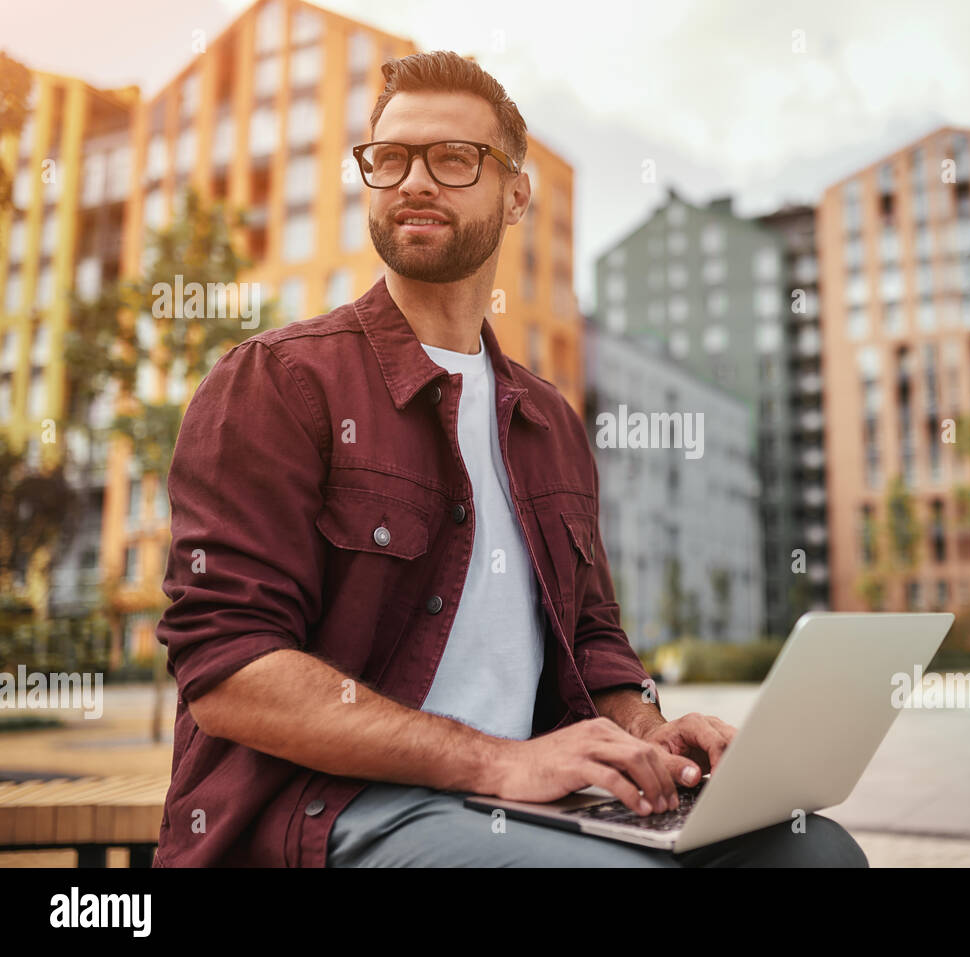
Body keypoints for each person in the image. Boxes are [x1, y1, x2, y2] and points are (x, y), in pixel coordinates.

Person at [153, 49, 866, 868]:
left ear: (515, 193)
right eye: (390, 159)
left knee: (815, 852)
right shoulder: (277, 382)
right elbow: (229, 670)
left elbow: (594, 643)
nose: (413, 181)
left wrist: (651, 733)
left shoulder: (549, 421)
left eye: (454, 159)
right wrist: (500, 760)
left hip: (530, 800)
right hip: (332, 811)